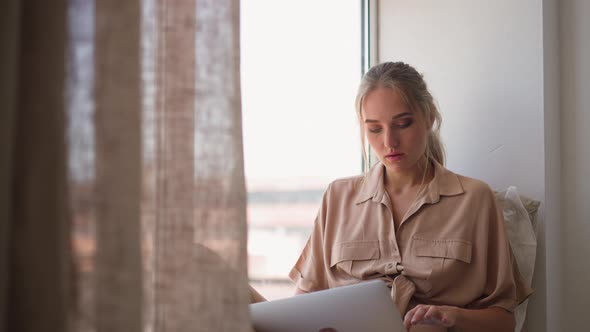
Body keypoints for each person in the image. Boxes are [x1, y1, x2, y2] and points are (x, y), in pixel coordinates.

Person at [288, 62, 532, 332]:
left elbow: (504, 320)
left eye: (403, 124)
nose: (390, 142)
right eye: (375, 129)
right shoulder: (338, 197)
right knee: (238, 300)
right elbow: (303, 300)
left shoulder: (475, 199)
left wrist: (452, 316)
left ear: (429, 117)